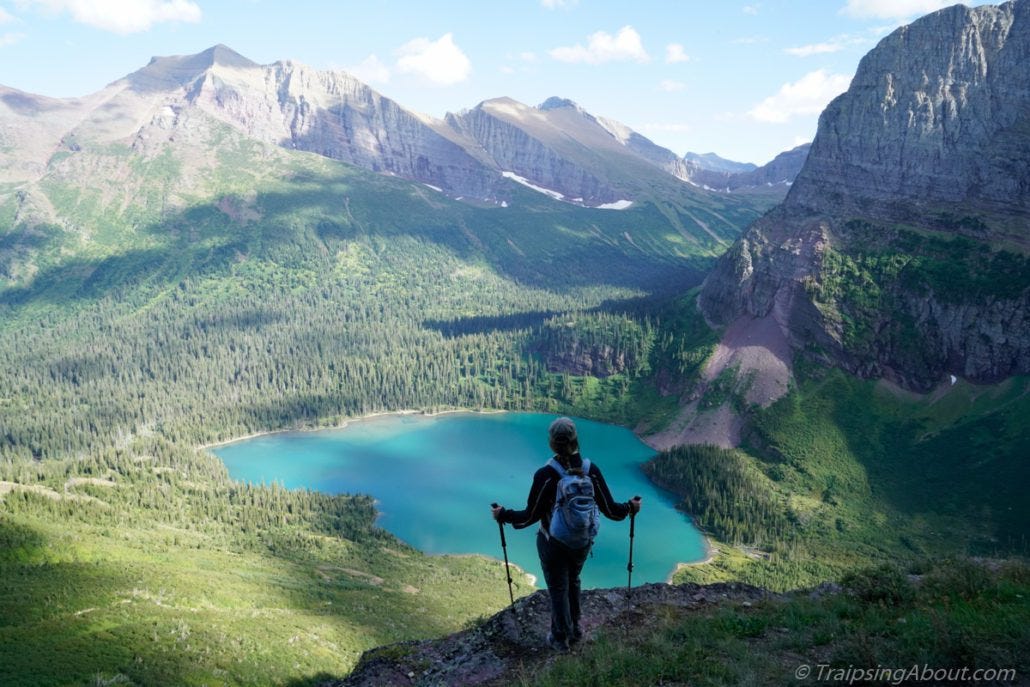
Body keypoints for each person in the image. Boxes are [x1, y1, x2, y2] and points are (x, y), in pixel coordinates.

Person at [491, 416, 642, 651]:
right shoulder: (591, 471)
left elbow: (530, 515)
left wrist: (503, 515)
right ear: (576, 440)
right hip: (582, 542)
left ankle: (561, 639)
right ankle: (577, 630)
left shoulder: (547, 474)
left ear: (552, 443)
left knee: (558, 587)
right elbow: (612, 511)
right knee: (573, 580)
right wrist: (631, 507)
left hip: (553, 543)